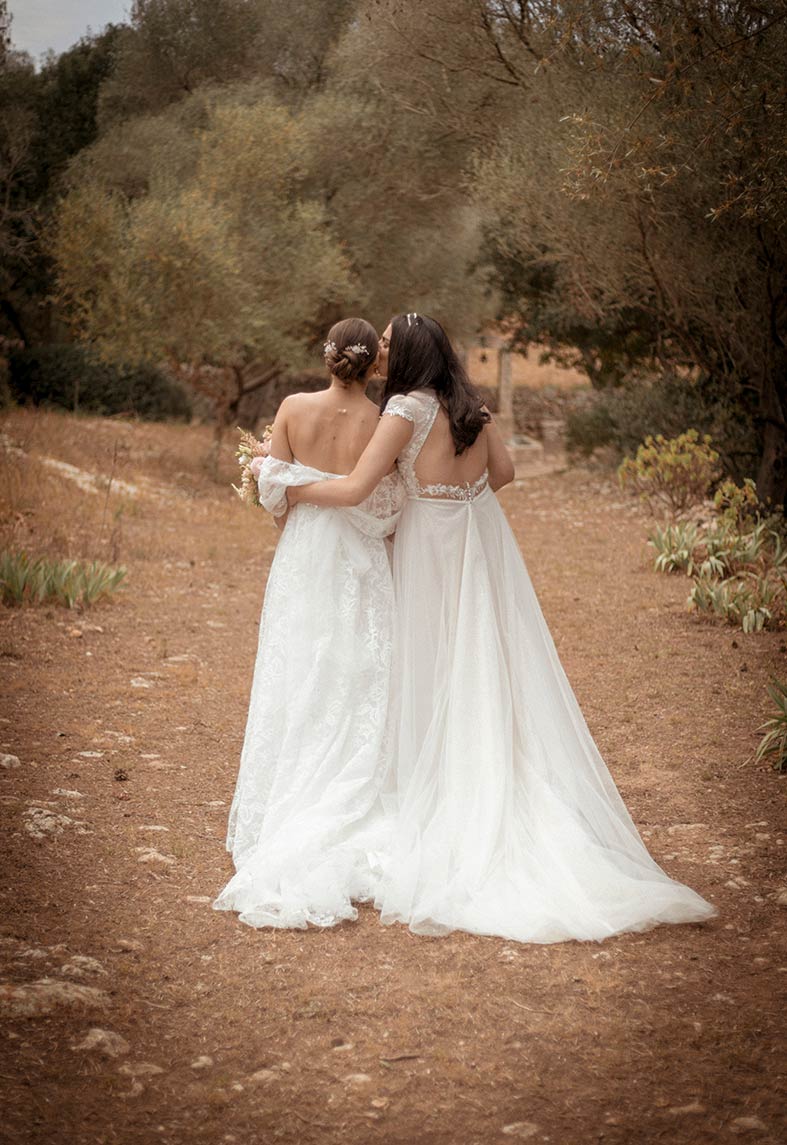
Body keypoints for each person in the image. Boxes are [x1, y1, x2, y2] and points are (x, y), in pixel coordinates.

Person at [289, 312, 717, 943]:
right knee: (479, 664)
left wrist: (289, 488)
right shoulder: (469, 405)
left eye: (387, 343)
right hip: (475, 547)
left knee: (431, 668)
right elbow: (506, 474)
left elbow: (355, 488)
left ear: (408, 354)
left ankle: (439, 794)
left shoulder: (404, 409)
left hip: (429, 554)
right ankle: (482, 771)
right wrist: (454, 487)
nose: (380, 351)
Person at [213, 318, 404, 929]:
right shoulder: (383, 423)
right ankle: (351, 792)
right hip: (361, 559)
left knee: (297, 667)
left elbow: (276, 494)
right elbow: (389, 506)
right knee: (357, 672)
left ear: (327, 358)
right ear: (373, 361)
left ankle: (289, 798)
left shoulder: (293, 407)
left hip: (304, 556)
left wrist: (294, 511)